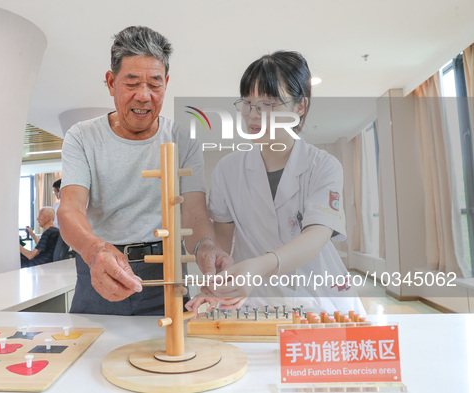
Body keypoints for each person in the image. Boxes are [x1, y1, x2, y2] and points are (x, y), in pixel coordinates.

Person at [58, 26, 232, 316]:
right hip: (100, 268)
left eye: (154, 84)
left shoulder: (182, 139)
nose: (143, 96)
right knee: (92, 357)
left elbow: (195, 214)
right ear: (111, 82)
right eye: (132, 83)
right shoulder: (82, 137)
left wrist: (205, 248)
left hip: (167, 273)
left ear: (166, 83)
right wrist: (94, 251)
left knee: (172, 357)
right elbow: (70, 210)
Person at [186, 51, 366, 315]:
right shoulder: (227, 170)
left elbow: (316, 236)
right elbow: (223, 241)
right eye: (247, 103)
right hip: (256, 301)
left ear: (300, 106)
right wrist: (214, 287)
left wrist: (258, 267)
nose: (253, 115)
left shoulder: (323, 166)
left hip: (319, 298)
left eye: (268, 104)